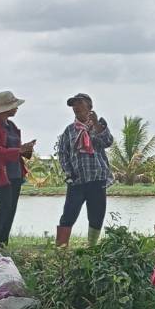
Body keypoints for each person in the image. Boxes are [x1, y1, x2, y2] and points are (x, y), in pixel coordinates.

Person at [55, 92, 113, 247]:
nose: (76, 107)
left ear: (90, 106)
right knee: (69, 214)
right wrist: (69, 172)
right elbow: (62, 153)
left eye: (79, 103)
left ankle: (91, 247)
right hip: (77, 180)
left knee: (96, 215)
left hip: (97, 178)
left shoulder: (99, 125)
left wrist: (97, 125)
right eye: (74, 105)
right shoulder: (69, 130)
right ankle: (61, 248)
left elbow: (108, 142)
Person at [0, 90, 35, 247]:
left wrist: (26, 148)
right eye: (14, 105)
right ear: (5, 108)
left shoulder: (10, 125)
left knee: (11, 210)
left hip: (15, 173)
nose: (16, 108)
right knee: (3, 207)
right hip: (0, 174)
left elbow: (15, 149)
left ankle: (2, 244)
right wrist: (19, 150)